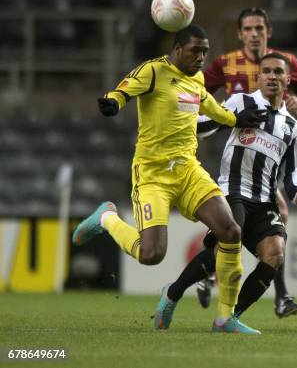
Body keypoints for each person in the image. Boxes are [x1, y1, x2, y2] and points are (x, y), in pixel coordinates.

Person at [71, 25, 267, 334]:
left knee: (230, 231)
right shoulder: (153, 70)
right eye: (195, 51)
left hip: (188, 170)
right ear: (177, 50)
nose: (201, 57)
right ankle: (107, 218)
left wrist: (235, 120)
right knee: (152, 255)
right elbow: (125, 89)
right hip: (153, 174)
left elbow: (210, 106)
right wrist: (114, 101)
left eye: (204, 51)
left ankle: (224, 318)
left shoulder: (198, 79)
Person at [154, 52, 297, 333]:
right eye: (267, 71)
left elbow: (292, 173)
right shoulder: (241, 102)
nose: (272, 76)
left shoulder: (292, 126)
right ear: (259, 76)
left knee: (275, 254)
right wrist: (233, 119)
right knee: (224, 250)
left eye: (278, 72)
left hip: (265, 200)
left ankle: (228, 317)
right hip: (233, 191)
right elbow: (199, 128)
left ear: (288, 79)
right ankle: (172, 294)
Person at [197, 7, 297, 317]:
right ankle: (215, 272)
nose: (254, 34)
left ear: (268, 32)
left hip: (269, 150)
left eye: (259, 29)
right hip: (234, 148)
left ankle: (274, 295)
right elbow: (197, 90)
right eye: (248, 29)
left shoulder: (284, 62)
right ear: (240, 34)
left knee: (277, 216)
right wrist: (202, 117)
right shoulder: (226, 64)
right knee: (248, 221)